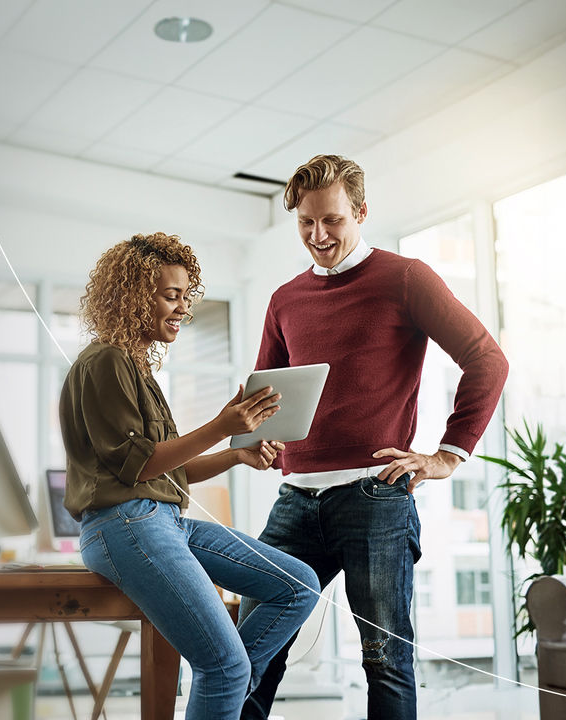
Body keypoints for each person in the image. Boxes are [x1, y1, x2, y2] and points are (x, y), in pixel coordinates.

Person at [238, 155, 509, 720]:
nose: (318, 236)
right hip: (295, 502)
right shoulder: (285, 299)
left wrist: (446, 456)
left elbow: (486, 359)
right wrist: (263, 441)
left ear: (361, 212)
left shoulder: (405, 278)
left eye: (332, 220)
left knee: (384, 662)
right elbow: (263, 399)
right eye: (306, 223)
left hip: (374, 498)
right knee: (249, 651)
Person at [60, 232, 320, 720]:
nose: (183, 309)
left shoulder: (137, 369)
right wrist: (223, 425)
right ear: (135, 296)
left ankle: (228, 683)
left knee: (297, 585)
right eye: (171, 296)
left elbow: (169, 472)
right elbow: (139, 465)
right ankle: (227, 679)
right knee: (223, 666)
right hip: (125, 527)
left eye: (186, 297)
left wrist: (234, 454)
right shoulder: (105, 361)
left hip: (162, 522)